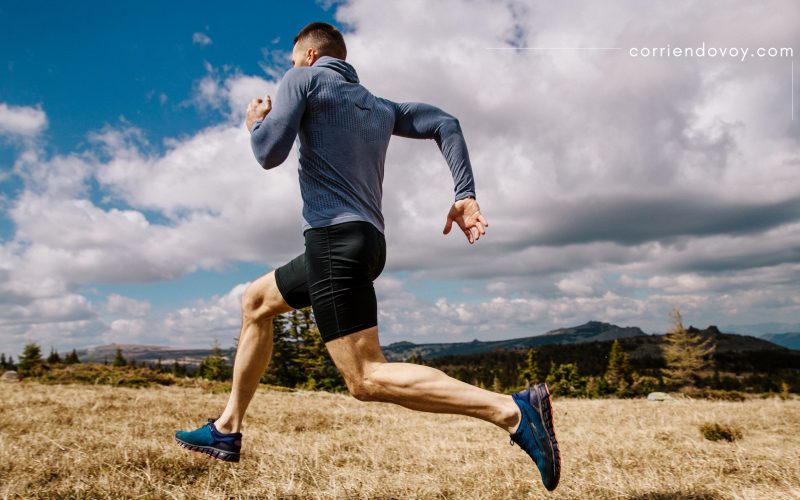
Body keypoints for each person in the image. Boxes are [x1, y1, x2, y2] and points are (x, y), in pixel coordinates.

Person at [175, 22, 560, 491]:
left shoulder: (304, 77)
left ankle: (513, 411)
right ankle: (227, 429)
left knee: (365, 377)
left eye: (294, 60)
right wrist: (465, 193)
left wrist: (254, 121)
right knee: (256, 302)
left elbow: (268, 152)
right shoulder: (379, 106)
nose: (289, 71)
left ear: (311, 56)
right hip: (364, 242)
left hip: (334, 244)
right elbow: (446, 123)